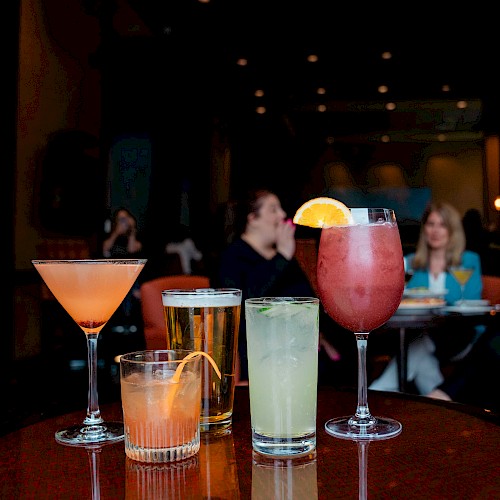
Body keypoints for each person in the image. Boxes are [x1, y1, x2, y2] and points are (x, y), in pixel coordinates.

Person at [214, 188, 353, 386]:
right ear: (252, 218)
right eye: (273, 209)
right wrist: (282, 256)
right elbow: (246, 305)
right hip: (264, 353)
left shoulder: (282, 255)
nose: (281, 215)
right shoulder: (233, 257)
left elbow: (308, 300)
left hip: (303, 348)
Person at [370, 201, 483, 395]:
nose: (435, 231)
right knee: (422, 353)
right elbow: (405, 299)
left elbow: (470, 299)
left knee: (419, 343)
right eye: (431, 224)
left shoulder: (469, 260)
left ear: (452, 230)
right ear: (425, 229)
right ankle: (445, 409)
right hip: (422, 336)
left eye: (442, 225)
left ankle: (376, 394)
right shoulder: (412, 262)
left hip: (460, 336)